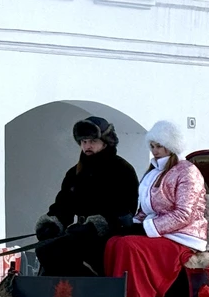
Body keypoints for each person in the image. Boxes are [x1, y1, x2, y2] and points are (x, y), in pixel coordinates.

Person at [103, 120, 207, 297]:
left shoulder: (187, 172)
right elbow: (146, 210)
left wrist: (145, 228)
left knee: (129, 245)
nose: (155, 151)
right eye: (152, 146)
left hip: (182, 236)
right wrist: (132, 223)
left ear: (171, 146)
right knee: (114, 242)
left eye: (159, 146)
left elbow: (184, 214)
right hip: (160, 232)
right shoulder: (153, 172)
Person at [33, 116, 139, 276]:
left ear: (105, 142)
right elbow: (64, 205)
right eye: (84, 141)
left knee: (68, 249)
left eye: (93, 141)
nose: (87, 146)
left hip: (110, 235)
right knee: (45, 247)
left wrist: (94, 226)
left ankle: (91, 284)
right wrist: (53, 224)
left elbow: (126, 209)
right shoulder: (75, 172)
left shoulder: (122, 170)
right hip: (78, 234)